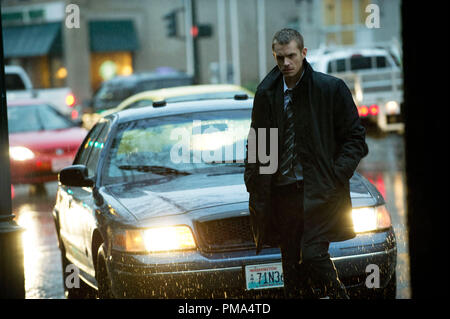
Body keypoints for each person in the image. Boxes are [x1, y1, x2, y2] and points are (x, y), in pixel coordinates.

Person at [244, 28, 368, 299]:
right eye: (279, 58)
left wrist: (335, 175)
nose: (285, 64)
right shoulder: (267, 93)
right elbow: (259, 142)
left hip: (319, 192)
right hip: (283, 194)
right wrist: (254, 178)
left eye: (290, 56)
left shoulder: (329, 89)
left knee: (312, 255)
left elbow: (356, 139)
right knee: (291, 267)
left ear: (303, 53)